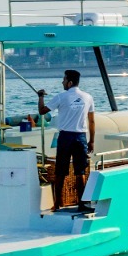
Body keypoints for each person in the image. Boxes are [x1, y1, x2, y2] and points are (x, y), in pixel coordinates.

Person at [37, 69, 96, 210]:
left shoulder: (61, 97)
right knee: (80, 172)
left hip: (65, 137)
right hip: (81, 137)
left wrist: (40, 97)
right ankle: (82, 204)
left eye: (63, 80)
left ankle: (57, 204)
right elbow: (92, 121)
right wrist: (91, 140)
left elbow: (42, 111)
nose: (62, 82)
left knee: (60, 172)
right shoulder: (88, 97)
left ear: (69, 82)